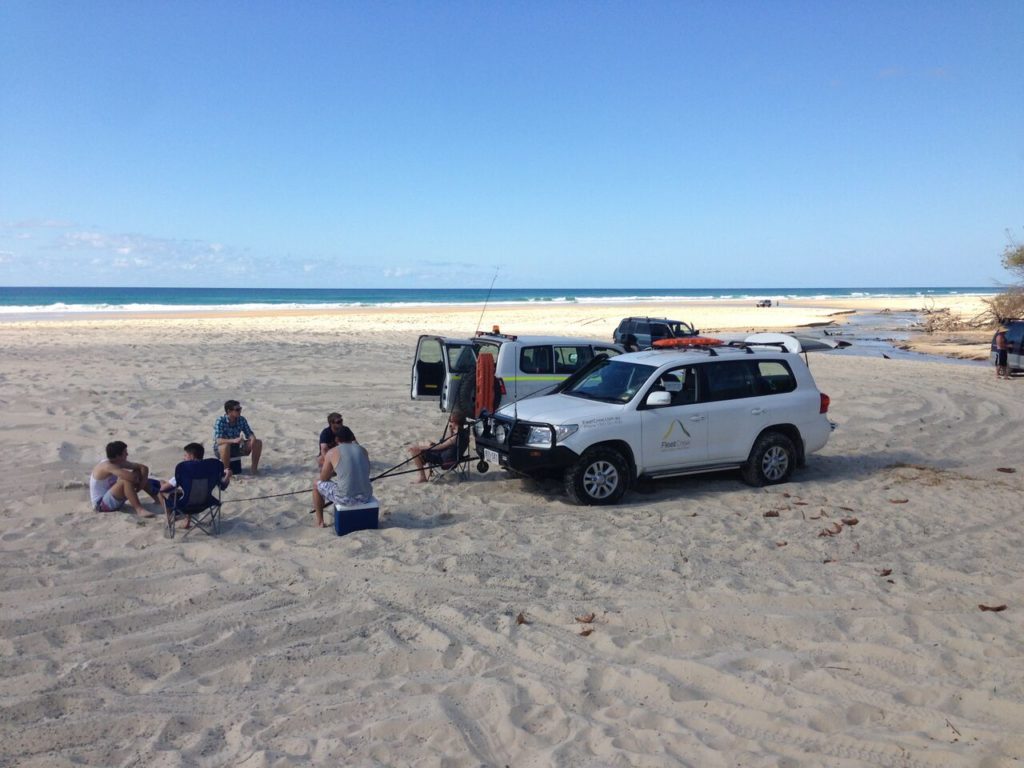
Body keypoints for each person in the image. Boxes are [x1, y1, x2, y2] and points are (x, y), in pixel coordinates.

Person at [313, 426, 372, 528]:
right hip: (366, 496)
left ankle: (320, 522)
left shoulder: (332, 452)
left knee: (316, 484)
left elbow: (323, 478)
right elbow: (366, 472)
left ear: (337, 439)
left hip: (345, 498)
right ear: (352, 437)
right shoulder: (363, 450)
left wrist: (332, 472)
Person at [89, 440, 159, 518]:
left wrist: (142, 483)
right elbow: (131, 478)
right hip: (101, 505)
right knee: (125, 480)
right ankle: (139, 510)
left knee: (138, 472)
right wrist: (139, 481)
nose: (127, 454)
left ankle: (158, 500)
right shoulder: (107, 466)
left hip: (112, 498)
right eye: (125, 453)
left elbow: (143, 467)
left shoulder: (117, 462)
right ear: (117, 456)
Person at [407, 411, 465, 483]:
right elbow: (449, 445)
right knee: (426, 442)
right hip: (451, 456)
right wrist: (451, 432)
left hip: (443, 459)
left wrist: (420, 448)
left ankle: (422, 477)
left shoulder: (455, 437)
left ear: (455, 422)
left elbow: (440, 446)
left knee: (414, 451)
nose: (450, 423)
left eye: (450, 421)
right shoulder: (464, 433)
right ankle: (425, 465)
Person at [213, 399, 263, 474]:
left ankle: (254, 469)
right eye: (237, 409)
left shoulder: (241, 419)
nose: (240, 411)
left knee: (258, 442)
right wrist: (233, 440)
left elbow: (249, 433)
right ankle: (226, 472)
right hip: (221, 449)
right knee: (225, 446)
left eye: (240, 409)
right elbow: (218, 440)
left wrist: (252, 438)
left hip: (237, 446)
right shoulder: (220, 421)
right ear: (229, 411)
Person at [159, 442, 232, 493]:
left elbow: (163, 489)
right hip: (206, 502)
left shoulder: (184, 469)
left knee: (160, 490)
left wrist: (161, 484)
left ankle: (169, 515)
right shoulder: (211, 468)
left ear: (192, 456)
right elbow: (223, 487)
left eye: (185, 455)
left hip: (186, 504)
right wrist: (227, 476)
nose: (184, 458)